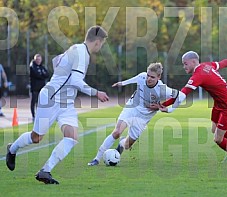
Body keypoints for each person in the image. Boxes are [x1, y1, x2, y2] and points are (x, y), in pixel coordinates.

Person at [6, 26, 109, 184]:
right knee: (36, 137)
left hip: (66, 103)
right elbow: (75, 80)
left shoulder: (76, 49)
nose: (101, 46)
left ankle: (45, 171)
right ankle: (12, 148)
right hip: (51, 99)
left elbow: (57, 61)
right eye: (101, 43)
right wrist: (96, 93)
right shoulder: (82, 54)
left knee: (72, 137)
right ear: (97, 41)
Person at [87, 62, 182, 166]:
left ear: (159, 77)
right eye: (148, 75)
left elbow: (180, 96)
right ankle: (96, 159)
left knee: (127, 145)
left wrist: (166, 109)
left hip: (144, 117)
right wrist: (122, 83)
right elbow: (134, 79)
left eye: (152, 77)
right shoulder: (142, 77)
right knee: (117, 132)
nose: (148, 79)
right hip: (132, 107)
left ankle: (121, 144)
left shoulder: (163, 89)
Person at [157, 51, 227, 162]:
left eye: (185, 63)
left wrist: (169, 109)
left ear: (193, 61)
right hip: (220, 103)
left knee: (218, 138)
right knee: (215, 129)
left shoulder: (198, 75)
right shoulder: (206, 65)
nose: (184, 67)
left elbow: (182, 95)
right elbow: (223, 63)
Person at [29, 54, 50, 121]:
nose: (38, 61)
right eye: (37, 59)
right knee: (34, 101)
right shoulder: (32, 66)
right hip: (35, 87)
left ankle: (39, 115)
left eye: (39, 59)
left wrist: (42, 75)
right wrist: (42, 75)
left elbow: (47, 74)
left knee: (40, 102)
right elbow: (37, 74)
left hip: (42, 87)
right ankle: (33, 116)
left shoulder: (42, 67)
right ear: (35, 60)